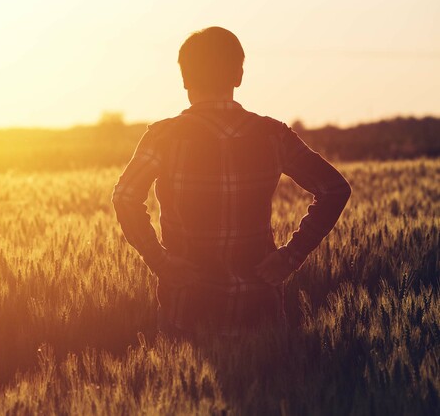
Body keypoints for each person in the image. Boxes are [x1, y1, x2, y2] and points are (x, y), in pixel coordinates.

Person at [111, 27, 351, 337]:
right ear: (238, 76)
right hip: (259, 308)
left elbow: (125, 197)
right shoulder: (273, 136)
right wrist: (291, 256)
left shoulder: (163, 138)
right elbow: (334, 189)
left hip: (187, 307)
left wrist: (161, 261)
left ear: (184, 79)